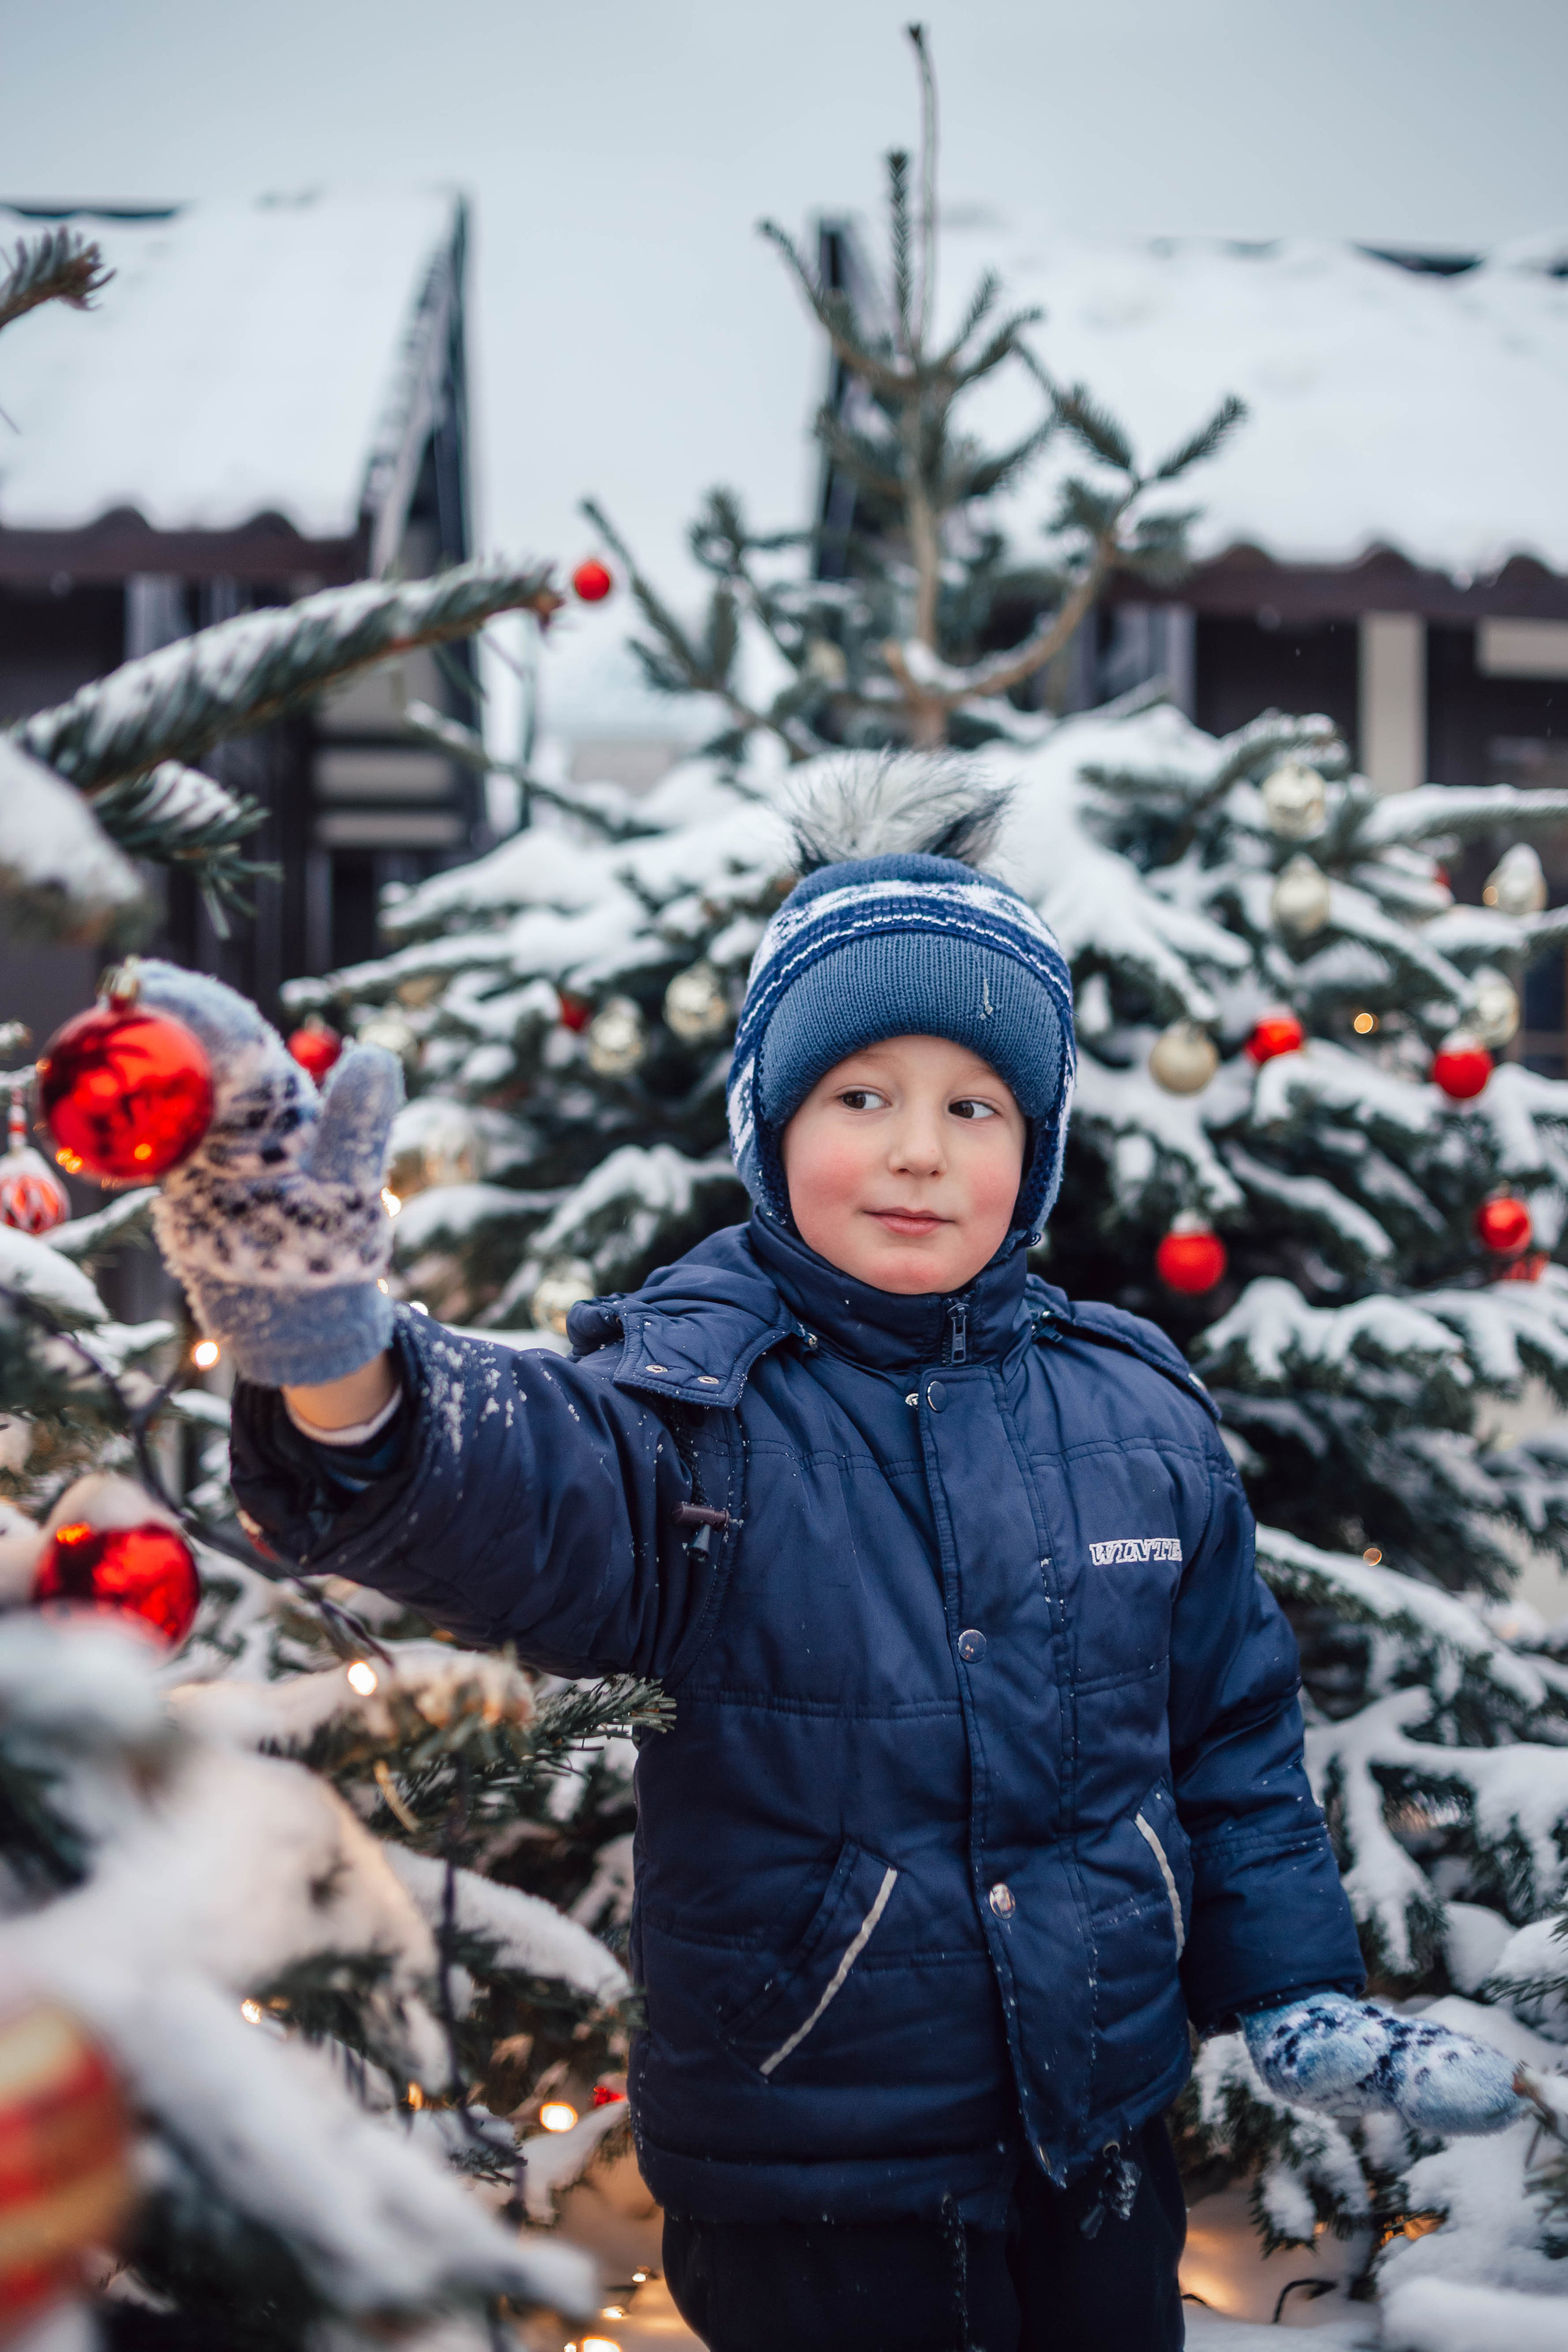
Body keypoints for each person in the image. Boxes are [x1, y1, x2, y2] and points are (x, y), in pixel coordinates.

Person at [140, 762, 1525, 2352]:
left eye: (974, 1106)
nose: (920, 1151)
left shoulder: (1134, 1409)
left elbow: (1229, 1732)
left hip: (1099, 2133)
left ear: (1036, 1147)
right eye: (862, 1097)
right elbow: (522, 1488)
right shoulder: (694, 1408)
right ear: (771, 1122)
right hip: (814, 2172)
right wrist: (339, 1366)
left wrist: (1289, 1985)